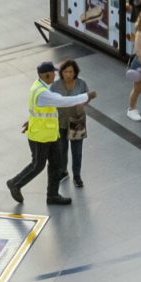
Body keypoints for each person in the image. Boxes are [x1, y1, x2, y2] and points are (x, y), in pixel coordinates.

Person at [5, 60, 92, 206]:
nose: (56, 74)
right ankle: (15, 183)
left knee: (55, 164)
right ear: (46, 75)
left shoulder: (41, 86)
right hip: (40, 136)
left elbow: (39, 111)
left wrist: (30, 120)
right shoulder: (42, 92)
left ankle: (52, 195)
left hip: (50, 134)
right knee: (37, 165)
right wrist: (87, 96)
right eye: (53, 72)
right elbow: (63, 101)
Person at [54, 60, 90, 193]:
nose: (68, 74)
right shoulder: (56, 85)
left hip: (77, 120)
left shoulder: (81, 83)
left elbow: (87, 97)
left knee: (77, 151)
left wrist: (83, 103)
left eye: (71, 72)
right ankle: (63, 172)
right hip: (61, 121)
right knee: (62, 149)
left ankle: (77, 175)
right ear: (61, 73)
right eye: (65, 72)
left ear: (75, 72)